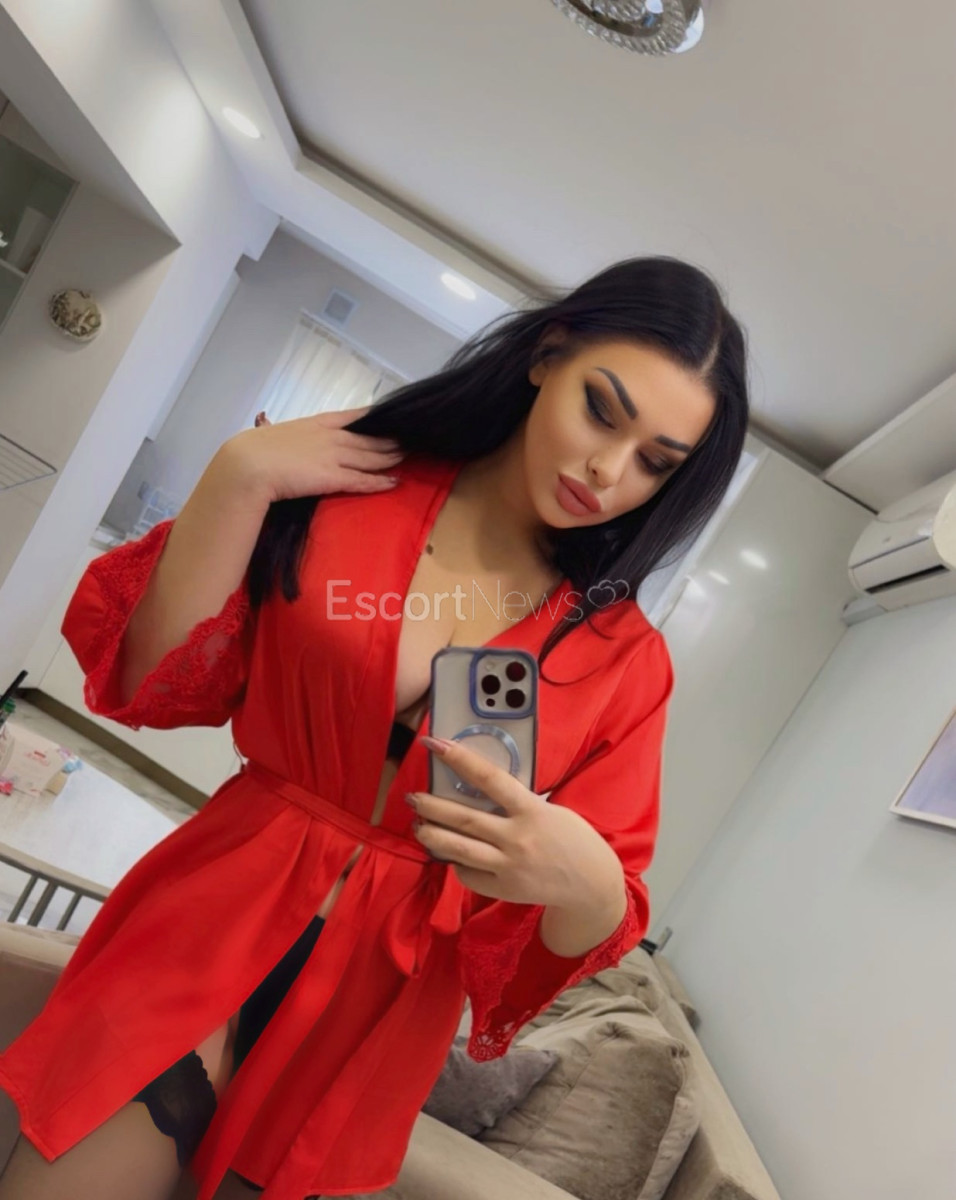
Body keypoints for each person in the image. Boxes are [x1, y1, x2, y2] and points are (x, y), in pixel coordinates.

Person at [0, 256, 748, 1200]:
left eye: (655, 462)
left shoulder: (622, 656)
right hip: (209, 918)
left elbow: (576, 930)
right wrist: (239, 476)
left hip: (377, 1016)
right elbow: (152, 680)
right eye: (602, 410)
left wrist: (586, 877)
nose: (610, 470)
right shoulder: (346, 484)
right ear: (546, 356)